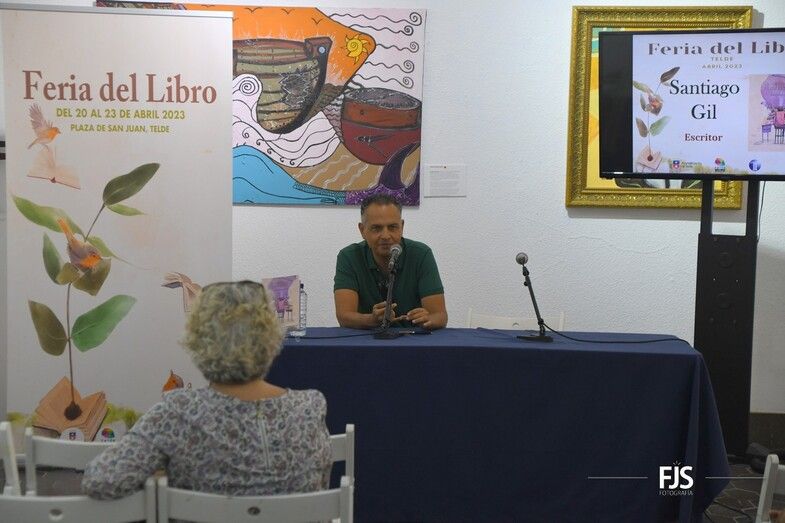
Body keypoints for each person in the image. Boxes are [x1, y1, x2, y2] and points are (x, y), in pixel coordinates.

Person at [82, 281, 331, 499]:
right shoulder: (309, 409)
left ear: (198, 341)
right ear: (271, 339)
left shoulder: (176, 413)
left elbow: (100, 481)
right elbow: (320, 486)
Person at [334, 194, 447, 330]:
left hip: (413, 338)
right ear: (362, 230)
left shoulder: (421, 254)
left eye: (392, 227)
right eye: (376, 228)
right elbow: (344, 317)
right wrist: (371, 319)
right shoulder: (349, 257)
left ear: (402, 226)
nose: (386, 236)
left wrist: (428, 319)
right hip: (367, 339)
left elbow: (440, 316)